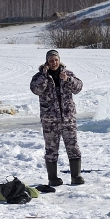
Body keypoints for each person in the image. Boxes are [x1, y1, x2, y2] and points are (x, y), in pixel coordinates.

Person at [30, 49, 84, 186]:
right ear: (47, 62)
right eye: (51, 60)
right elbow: (36, 90)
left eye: (56, 60)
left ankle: (76, 176)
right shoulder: (39, 76)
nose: (54, 63)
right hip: (50, 120)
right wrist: (44, 76)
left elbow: (78, 88)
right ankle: (52, 178)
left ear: (59, 60)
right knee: (51, 149)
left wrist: (68, 79)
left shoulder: (67, 74)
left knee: (73, 146)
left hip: (68, 118)